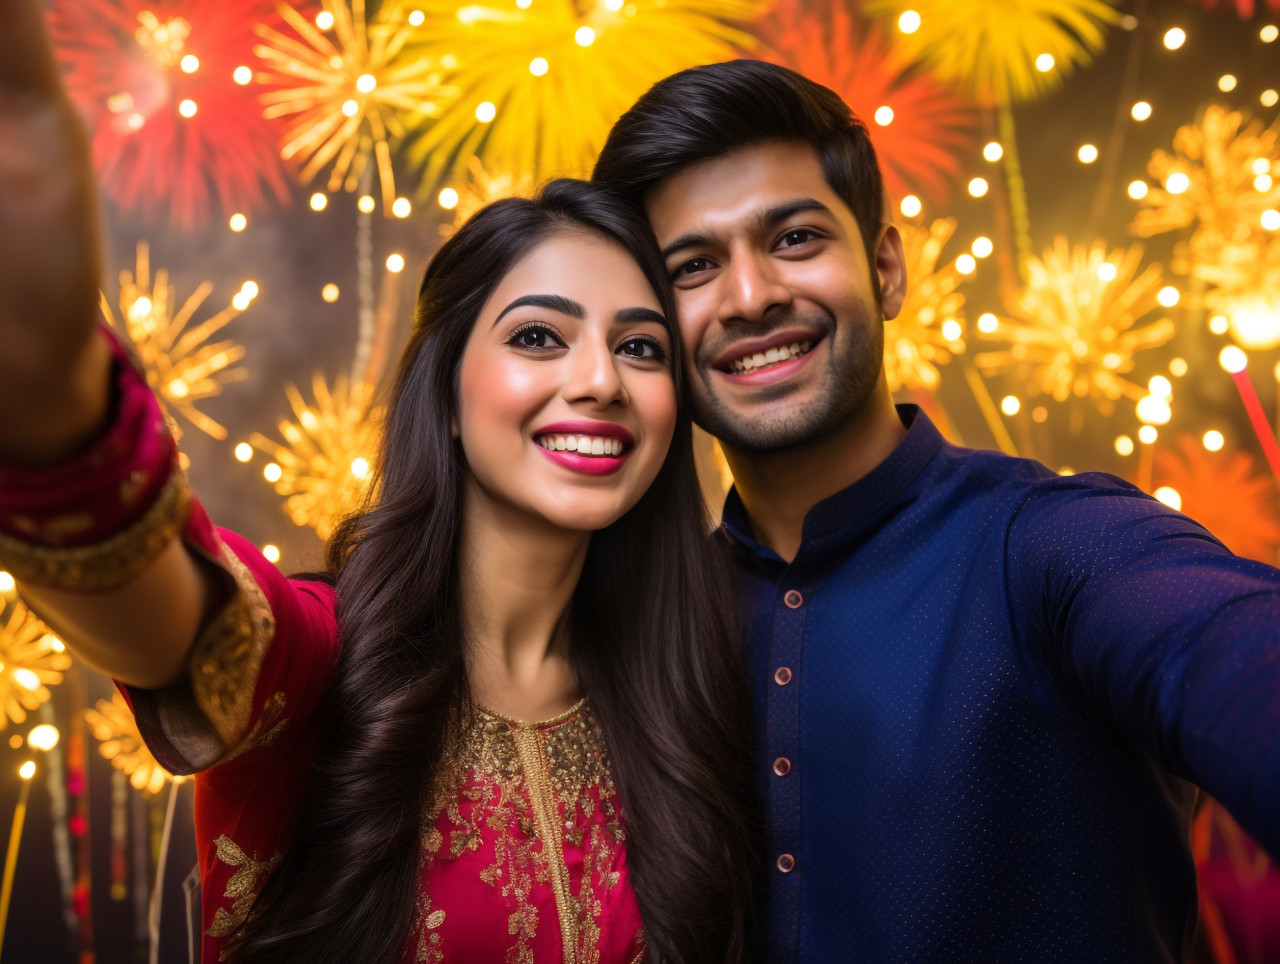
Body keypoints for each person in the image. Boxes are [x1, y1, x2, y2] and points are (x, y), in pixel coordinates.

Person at [0, 6, 759, 961]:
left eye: (640, 348)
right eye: (537, 337)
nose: (599, 381)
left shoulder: (699, 695)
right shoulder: (326, 667)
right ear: (445, 395)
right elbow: (168, 617)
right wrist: (52, 411)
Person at [593, 59, 1280, 962]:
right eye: (693, 267)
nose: (751, 296)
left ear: (884, 270)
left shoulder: (1054, 545)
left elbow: (1233, 653)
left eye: (795, 239)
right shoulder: (643, 627)